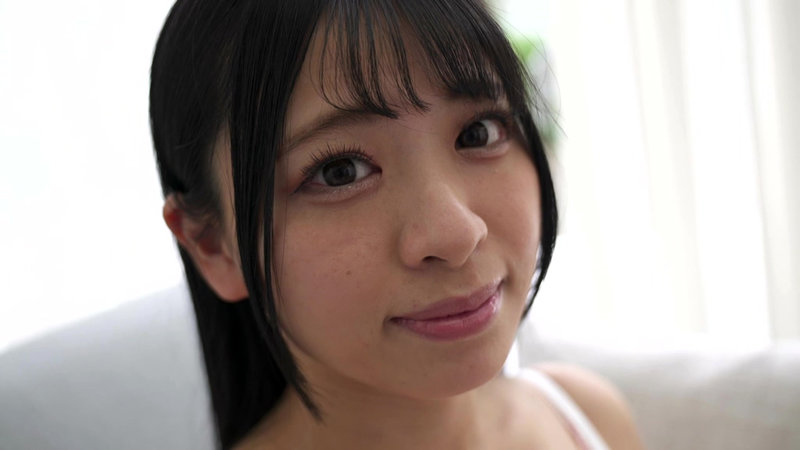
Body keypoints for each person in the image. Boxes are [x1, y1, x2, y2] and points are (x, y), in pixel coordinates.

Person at [149, 0, 644, 448]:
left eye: (478, 132)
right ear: (213, 245)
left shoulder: (585, 416)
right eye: (339, 171)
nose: (457, 234)